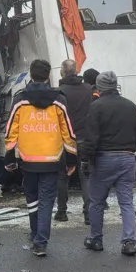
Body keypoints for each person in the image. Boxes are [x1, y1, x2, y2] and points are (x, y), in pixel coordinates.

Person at [5, 59, 77, 257]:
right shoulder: (59, 100)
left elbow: (11, 130)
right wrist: (71, 159)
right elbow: (68, 133)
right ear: (48, 76)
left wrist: (9, 156)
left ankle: (35, 233)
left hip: (28, 160)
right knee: (46, 200)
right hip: (52, 160)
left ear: (30, 75)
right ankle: (40, 242)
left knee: (32, 199)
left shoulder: (20, 100)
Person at [81, 71, 136, 256]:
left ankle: (96, 239)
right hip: (127, 158)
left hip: (103, 159)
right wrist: (130, 149)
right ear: (115, 85)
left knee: (97, 202)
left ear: (99, 87)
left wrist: (86, 159)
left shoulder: (96, 107)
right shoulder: (131, 106)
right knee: (126, 202)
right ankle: (129, 242)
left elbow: (90, 137)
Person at [55, 59, 94, 223]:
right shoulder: (88, 89)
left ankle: (62, 212)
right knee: (86, 176)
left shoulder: (59, 92)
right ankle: (89, 214)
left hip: (66, 141)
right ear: (77, 71)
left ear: (62, 73)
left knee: (63, 176)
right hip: (85, 138)